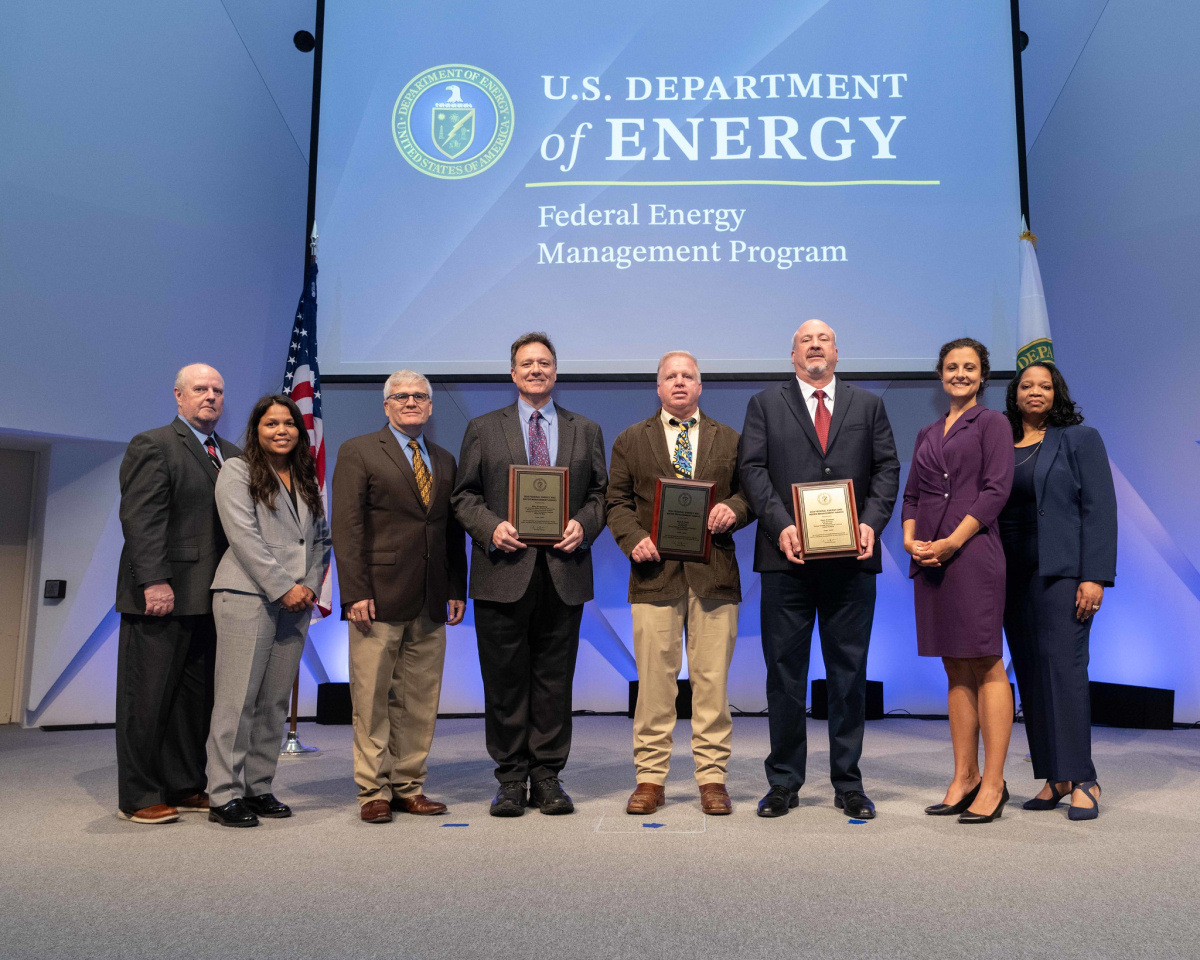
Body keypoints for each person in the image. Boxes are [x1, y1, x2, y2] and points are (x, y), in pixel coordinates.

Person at [738, 320, 899, 820]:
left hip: (851, 561)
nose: (814, 345)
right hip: (786, 561)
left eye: (822, 339)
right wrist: (781, 525)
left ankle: (848, 783)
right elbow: (752, 470)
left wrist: (871, 524)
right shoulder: (765, 404)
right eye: (805, 340)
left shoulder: (867, 404)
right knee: (784, 674)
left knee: (848, 675)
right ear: (792, 355)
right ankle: (784, 781)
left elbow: (887, 470)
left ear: (836, 351)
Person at [452, 332, 607, 816]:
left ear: (555, 372)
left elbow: (601, 496)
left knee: (555, 681)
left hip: (564, 572)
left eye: (544, 363)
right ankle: (511, 779)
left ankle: (548, 778)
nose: (536, 370)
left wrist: (584, 524)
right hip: (503, 571)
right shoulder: (483, 427)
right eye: (526, 363)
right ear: (513, 373)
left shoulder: (587, 429)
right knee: (504, 680)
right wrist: (490, 527)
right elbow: (464, 497)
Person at [606, 351, 753, 816]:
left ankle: (712, 778)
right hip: (654, 577)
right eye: (671, 376)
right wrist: (633, 539)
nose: (680, 382)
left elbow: (751, 493)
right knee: (654, 684)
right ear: (658, 387)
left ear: (701, 386)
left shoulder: (729, 440)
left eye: (688, 376)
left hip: (713, 578)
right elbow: (616, 502)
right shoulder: (632, 440)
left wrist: (737, 510)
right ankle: (650, 779)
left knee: (712, 684)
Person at [331, 371, 468, 825]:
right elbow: (346, 527)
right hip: (377, 596)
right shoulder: (359, 451)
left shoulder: (445, 460)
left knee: (419, 698)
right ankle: (373, 789)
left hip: (431, 598)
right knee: (371, 697)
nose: (411, 402)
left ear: (431, 407)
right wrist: (353, 592)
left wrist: (455, 588)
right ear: (386, 405)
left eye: (420, 397)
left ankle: (409, 785)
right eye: (402, 396)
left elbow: (450, 533)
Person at [115, 363, 239, 823]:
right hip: (163, 593)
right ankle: (140, 794)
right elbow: (141, 519)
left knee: (194, 701)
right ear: (178, 396)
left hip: (212, 597)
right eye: (200, 389)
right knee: (145, 699)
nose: (210, 396)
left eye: (218, 390)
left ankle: (185, 784)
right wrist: (154, 580)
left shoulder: (232, 453)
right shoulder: (154, 444)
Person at [902, 338, 1014, 824]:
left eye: (970, 367)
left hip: (973, 555)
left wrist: (951, 541)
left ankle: (993, 782)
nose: (960, 373)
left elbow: (995, 492)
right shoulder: (927, 431)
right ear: (940, 375)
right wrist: (911, 540)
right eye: (952, 366)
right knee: (954, 666)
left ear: (983, 376)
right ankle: (963, 775)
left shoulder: (993, 423)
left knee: (987, 663)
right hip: (930, 559)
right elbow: (911, 496)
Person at [206, 394, 331, 827]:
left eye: (289, 424)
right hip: (247, 596)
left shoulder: (305, 477)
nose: (281, 431)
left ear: (300, 431)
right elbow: (244, 537)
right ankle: (223, 794)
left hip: (298, 602)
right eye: (271, 424)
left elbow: (320, 542)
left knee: (274, 701)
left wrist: (310, 587)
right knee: (237, 700)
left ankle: (258, 787)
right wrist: (283, 588)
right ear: (256, 430)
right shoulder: (237, 471)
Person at [1000, 361, 1115, 821]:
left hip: (1063, 572)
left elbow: (1100, 509)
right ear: (1014, 394)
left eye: (1044, 386)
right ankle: (1055, 775)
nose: (1035, 392)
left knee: (1064, 671)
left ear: (1057, 393)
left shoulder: (1080, 438)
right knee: (1030, 672)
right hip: (1010, 574)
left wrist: (1094, 576)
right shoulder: (1002, 444)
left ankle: (1085, 777)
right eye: (1026, 385)